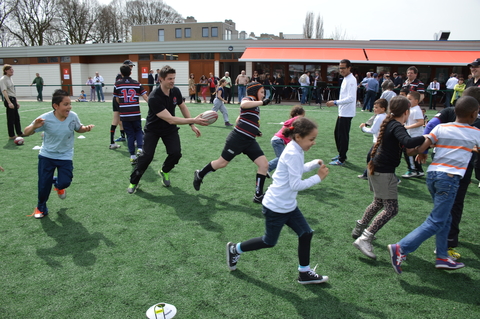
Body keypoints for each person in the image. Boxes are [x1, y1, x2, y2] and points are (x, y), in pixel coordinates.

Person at [226, 117, 330, 284]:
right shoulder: (293, 152)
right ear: (298, 137)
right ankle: (235, 249)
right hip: (276, 207)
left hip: (287, 205)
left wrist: (312, 165)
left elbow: (296, 169)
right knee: (269, 242)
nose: (313, 143)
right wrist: (318, 178)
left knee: (306, 233)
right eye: (311, 139)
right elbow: (296, 184)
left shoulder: (295, 148)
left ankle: (304, 273)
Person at [388, 96, 480, 274]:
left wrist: (419, 152)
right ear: (474, 114)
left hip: (433, 176)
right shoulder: (475, 132)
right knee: (437, 220)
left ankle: (442, 256)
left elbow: (422, 148)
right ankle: (401, 248)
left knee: (445, 217)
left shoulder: (441, 127)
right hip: (450, 179)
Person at [351, 96, 426, 259]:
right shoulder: (397, 125)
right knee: (391, 209)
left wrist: (422, 148)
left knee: (378, 202)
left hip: (376, 168)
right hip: (383, 171)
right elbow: (408, 141)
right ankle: (365, 238)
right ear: (406, 112)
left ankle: (359, 229)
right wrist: (427, 136)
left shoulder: (391, 123)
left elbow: (407, 149)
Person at [127, 65, 208, 194]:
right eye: (169, 78)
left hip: (169, 129)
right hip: (153, 129)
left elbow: (182, 107)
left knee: (176, 153)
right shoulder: (154, 97)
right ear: (161, 79)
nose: (172, 81)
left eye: (173, 78)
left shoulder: (175, 91)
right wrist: (193, 120)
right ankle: (134, 182)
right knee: (147, 157)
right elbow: (171, 119)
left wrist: (192, 125)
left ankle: (164, 171)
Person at [421, 86, 480, 260]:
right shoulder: (474, 121)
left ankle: (443, 248)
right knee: (450, 209)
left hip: (437, 169)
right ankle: (404, 247)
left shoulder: (447, 112)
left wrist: (423, 150)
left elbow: (430, 126)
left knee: (443, 209)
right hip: (457, 172)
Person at [193, 82, 271, 203]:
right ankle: (200, 174)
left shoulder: (255, 106)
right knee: (222, 163)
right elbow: (244, 104)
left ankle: (258, 195)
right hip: (237, 138)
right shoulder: (249, 99)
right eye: (261, 92)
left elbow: (239, 119)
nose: (263, 94)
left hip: (249, 140)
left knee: (264, 165)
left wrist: (255, 130)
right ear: (254, 92)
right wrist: (263, 102)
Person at [23, 89, 94, 219]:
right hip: (47, 156)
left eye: (70, 104)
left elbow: (79, 128)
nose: (69, 107)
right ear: (56, 106)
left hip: (65, 156)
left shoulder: (73, 116)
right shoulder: (45, 118)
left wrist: (86, 129)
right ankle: (41, 207)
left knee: (65, 182)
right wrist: (34, 126)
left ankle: (58, 185)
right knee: (43, 184)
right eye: (65, 104)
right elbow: (26, 132)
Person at [113, 65, 148, 165]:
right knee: (138, 130)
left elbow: (117, 99)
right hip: (135, 112)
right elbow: (145, 96)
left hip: (124, 113)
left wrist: (123, 104)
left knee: (129, 134)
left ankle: (132, 155)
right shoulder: (136, 83)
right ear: (131, 72)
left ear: (121, 73)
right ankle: (140, 148)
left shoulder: (117, 84)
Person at [326, 59, 357, 166]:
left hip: (347, 113)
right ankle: (341, 154)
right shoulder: (345, 78)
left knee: (343, 136)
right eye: (340, 67)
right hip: (342, 112)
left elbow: (351, 98)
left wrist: (335, 102)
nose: (341, 70)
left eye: (343, 68)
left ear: (349, 68)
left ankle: (342, 158)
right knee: (337, 134)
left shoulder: (351, 80)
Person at [268, 106, 306, 173]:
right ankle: (267, 168)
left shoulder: (293, 123)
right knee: (281, 158)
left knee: (285, 157)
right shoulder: (297, 119)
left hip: (278, 140)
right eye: (302, 115)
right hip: (278, 141)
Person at [357, 99, 387, 180]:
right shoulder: (384, 116)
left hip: (378, 142)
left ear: (383, 109)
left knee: (371, 158)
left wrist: (363, 128)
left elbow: (373, 130)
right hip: (381, 141)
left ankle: (368, 174)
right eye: (374, 107)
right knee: (373, 158)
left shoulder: (379, 117)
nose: (374, 109)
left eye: (377, 107)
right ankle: (367, 173)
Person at [110, 60, 135, 149]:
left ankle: (122, 136)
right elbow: (120, 89)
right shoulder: (120, 76)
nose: (131, 68)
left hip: (121, 99)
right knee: (117, 120)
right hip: (120, 99)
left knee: (120, 121)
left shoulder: (124, 76)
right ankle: (112, 142)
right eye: (130, 66)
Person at [402, 91, 425, 178]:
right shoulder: (411, 109)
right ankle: (419, 170)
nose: (408, 101)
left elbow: (420, 122)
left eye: (409, 99)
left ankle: (412, 170)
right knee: (414, 153)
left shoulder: (416, 110)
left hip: (414, 135)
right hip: (411, 134)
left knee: (408, 152)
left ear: (416, 101)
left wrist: (407, 127)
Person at [0, 64, 23, 139]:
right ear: (5, 71)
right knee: (11, 118)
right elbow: (4, 91)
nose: (12, 71)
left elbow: (13, 91)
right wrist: (9, 102)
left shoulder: (10, 78)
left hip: (13, 99)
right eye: (10, 70)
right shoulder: (3, 79)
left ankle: (19, 132)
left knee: (17, 117)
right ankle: (11, 135)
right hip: (9, 99)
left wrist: (16, 102)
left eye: (12, 69)